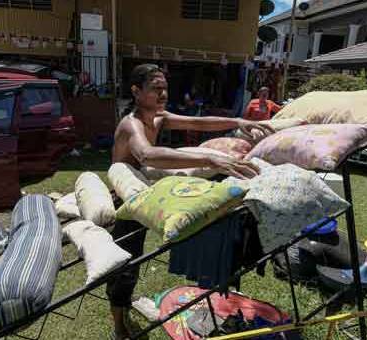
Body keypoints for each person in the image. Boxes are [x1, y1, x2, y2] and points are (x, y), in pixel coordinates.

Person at [108, 64, 263, 339]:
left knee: (136, 260)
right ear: (136, 91)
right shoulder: (130, 124)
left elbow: (199, 122)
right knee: (124, 265)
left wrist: (238, 122)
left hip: (146, 194)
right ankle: (119, 325)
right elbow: (147, 155)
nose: (163, 93)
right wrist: (209, 158)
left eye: (164, 88)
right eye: (156, 88)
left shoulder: (158, 117)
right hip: (124, 202)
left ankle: (129, 303)